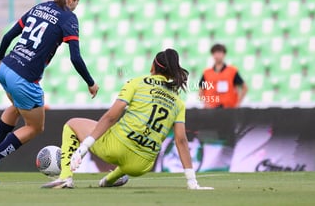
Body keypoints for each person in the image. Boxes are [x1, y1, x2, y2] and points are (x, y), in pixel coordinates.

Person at [0, 0, 99, 184]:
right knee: (34, 127)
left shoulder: (40, 7)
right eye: (78, 1)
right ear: (73, 0)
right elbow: (75, 57)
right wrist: (90, 82)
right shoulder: (68, 18)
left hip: (6, 67)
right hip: (24, 77)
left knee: (16, 106)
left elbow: (8, 36)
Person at [42, 49, 213, 190]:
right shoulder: (178, 101)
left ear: (153, 66)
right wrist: (192, 182)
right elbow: (181, 140)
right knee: (129, 161)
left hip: (116, 148)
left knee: (72, 124)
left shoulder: (137, 82)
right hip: (142, 164)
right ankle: (110, 180)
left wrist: (83, 147)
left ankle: (65, 177)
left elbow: (111, 117)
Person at [199, 43, 248, 108]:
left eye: (219, 53)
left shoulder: (232, 71)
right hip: (211, 110)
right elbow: (200, 91)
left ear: (224, 54)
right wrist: (205, 103)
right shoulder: (206, 72)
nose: (217, 55)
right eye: (215, 53)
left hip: (229, 109)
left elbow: (245, 88)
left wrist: (238, 104)